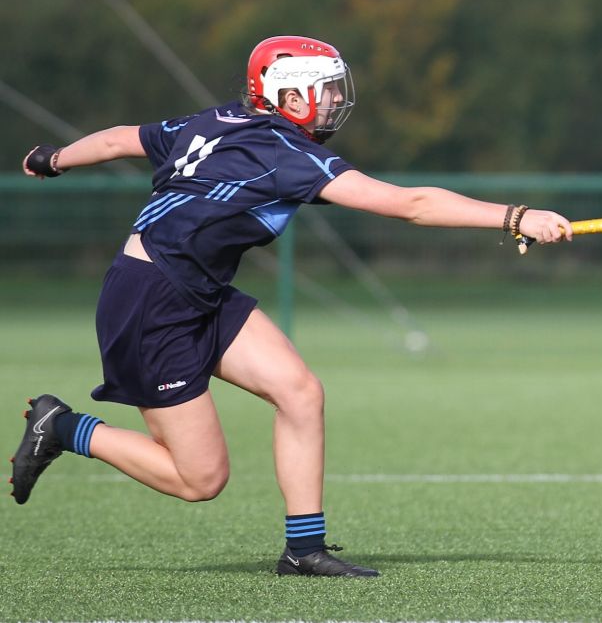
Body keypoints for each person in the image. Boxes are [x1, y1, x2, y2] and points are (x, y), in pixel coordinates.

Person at [9, 35, 571, 578]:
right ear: (288, 95)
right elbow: (411, 205)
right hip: (150, 305)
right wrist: (516, 217)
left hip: (193, 289)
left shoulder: (210, 122)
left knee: (300, 392)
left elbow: (115, 140)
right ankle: (64, 427)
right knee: (199, 480)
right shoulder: (286, 153)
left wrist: (54, 158)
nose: (334, 101)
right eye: (325, 89)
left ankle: (304, 549)